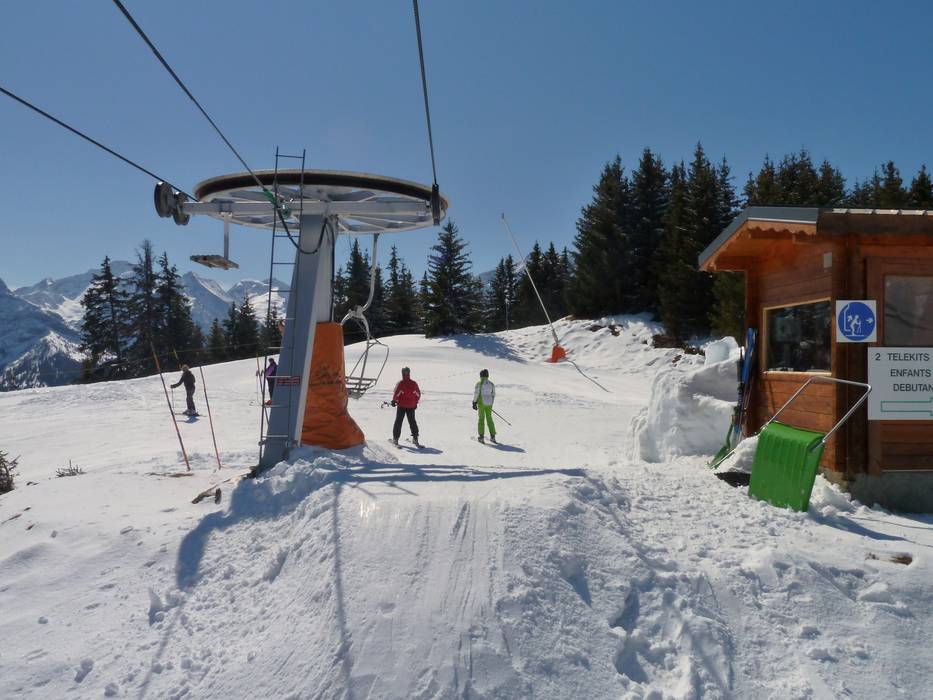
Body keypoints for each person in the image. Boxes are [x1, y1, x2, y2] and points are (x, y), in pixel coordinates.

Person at [391, 367, 421, 447]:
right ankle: (415, 438)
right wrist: (415, 403)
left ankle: (395, 439)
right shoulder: (414, 383)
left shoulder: (400, 383)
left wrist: (394, 401)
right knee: (412, 422)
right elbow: (418, 394)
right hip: (411, 406)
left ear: (402, 373)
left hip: (401, 406)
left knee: (398, 421)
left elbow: (397, 393)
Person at [472, 369, 496, 443]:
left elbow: (476, 393)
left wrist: (474, 402)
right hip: (489, 404)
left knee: (481, 419)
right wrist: (491, 403)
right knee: (489, 419)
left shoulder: (479, 383)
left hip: (481, 403)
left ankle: (481, 437)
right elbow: (493, 394)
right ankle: (493, 436)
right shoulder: (491, 384)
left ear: (481, 375)